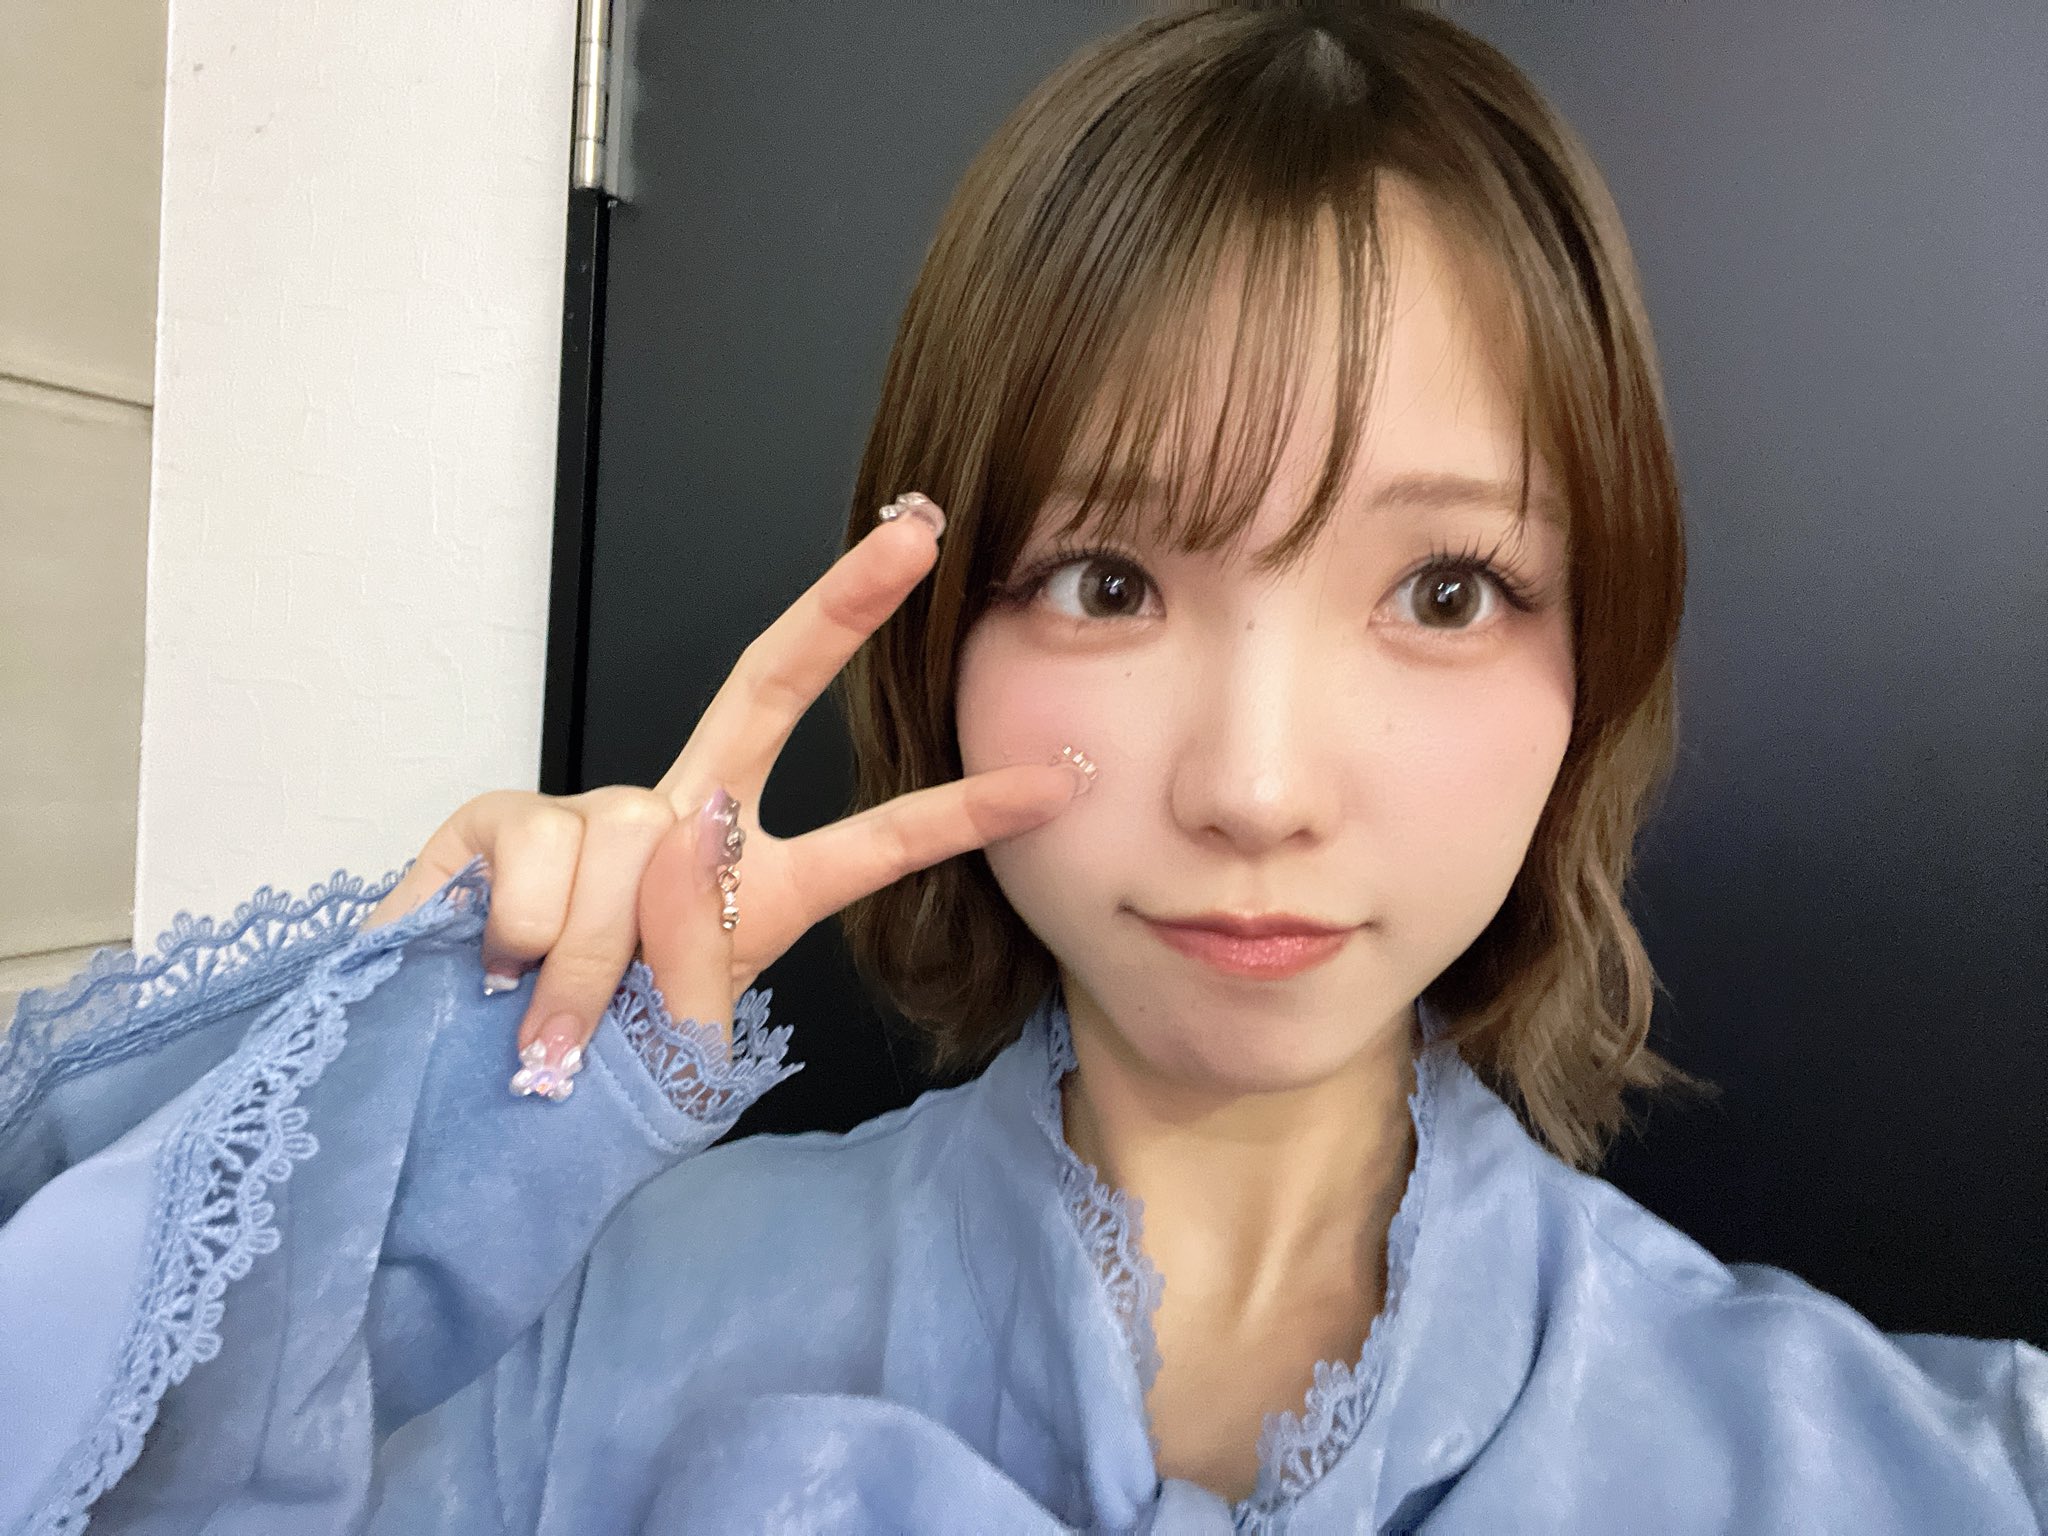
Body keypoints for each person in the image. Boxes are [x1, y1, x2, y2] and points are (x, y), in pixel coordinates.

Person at [1, 2, 2040, 1532]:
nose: (1255, 787)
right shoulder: (560, 1347)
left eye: (1443, 589)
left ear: (1595, 664)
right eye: (1104, 579)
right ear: (942, 638)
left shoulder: (1917, 1466)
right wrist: (424, 1135)